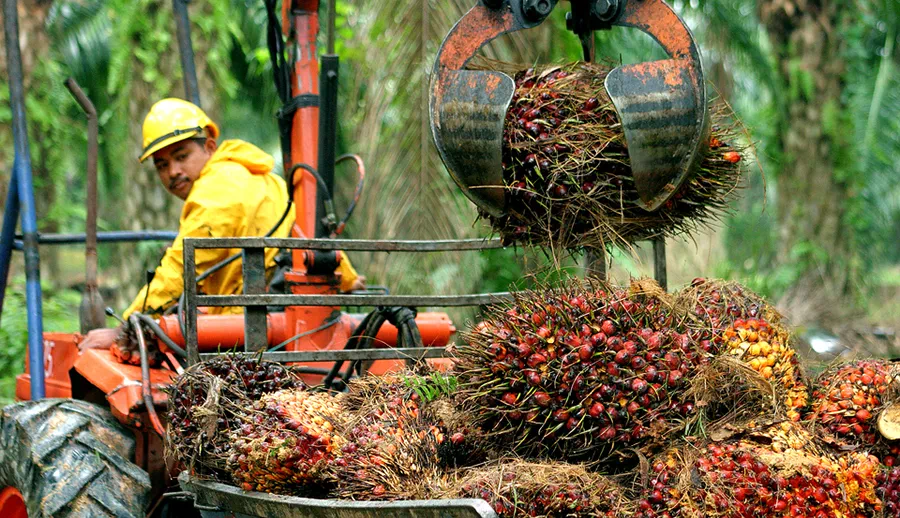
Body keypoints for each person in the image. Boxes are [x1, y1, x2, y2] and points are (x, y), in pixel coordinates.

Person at [80, 98, 362, 350]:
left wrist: (125, 328)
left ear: (210, 148)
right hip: (284, 317)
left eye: (181, 157)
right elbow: (308, 232)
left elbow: (179, 268)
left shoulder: (214, 192)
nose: (173, 172)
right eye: (162, 165)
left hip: (254, 332)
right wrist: (348, 279)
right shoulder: (262, 177)